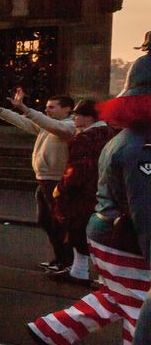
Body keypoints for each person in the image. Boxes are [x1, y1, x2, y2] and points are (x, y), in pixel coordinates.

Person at [27, 49, 151, 345]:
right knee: (140, 311)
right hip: (126, 239)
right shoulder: (142, 147)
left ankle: (52, 331)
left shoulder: (129, 138)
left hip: (111, 233)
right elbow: (146, 211)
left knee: (117, 296)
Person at [0, 89, 76, 271]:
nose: (47, 110)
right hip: (44, 180)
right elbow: (25, 122)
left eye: (52, 107)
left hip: (56, 180)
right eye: (47, 107)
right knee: (45, 220)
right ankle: (59, 258)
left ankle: (67, 261)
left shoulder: (69, 126)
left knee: (58, 222)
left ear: (67, 109)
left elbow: (50, 125)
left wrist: (25, 108)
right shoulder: (48, 125)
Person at [45, 100, 116, 284]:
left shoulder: (84, 138)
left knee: (78, 229)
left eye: (77, 115)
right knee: (98, 233)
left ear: (88, 118)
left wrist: (61, 187)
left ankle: (81, 271)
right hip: (104, 190)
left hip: (83, 193)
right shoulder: (111, 134)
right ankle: (97, 275)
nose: (74, 118)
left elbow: (77, 169)